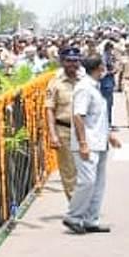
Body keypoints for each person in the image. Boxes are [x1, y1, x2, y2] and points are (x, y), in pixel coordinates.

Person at [63, 55, 121, 234]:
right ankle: (73, 216)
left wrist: (109, 135)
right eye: (102, 67)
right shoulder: (84, 88)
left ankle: (90, 220)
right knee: (87, 182)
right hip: (87, 143)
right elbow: (78, 116)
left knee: (98, 184)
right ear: (98, 68)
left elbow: (98, 118)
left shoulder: (95, 88)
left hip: (99, 141)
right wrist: (82, 143)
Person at [45, 46, 83, 200]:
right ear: (62, 62)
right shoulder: (55, 84)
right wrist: (53, 135)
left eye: (75, 60)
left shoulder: (85, 82)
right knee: (69, 173)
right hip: (64, 131)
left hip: (84, 131)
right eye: (69, 61)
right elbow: (49, 110)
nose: (73, 64)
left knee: (87, 171)